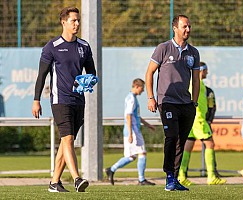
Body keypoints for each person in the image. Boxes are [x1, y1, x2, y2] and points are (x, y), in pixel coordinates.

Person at [32, 7, 96, 192]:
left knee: (66, 141)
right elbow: (41, 75)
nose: (76, 24)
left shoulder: (84, 46)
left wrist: (89, 80)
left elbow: (92, 72)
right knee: (67, 138)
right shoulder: (52, 47)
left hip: (79, 100)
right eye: (73, 20)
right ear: (63, 22)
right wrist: (36, 100)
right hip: (60, 100)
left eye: (78, 20)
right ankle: (77, 178)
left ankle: (54, 182)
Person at [145, 14, 200, 191]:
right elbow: (149, 73)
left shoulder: (193, 52)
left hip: (186, 104)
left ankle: (175, 178)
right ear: (175, 28)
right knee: (171, 137)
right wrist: (151, 97)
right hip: (167, 102)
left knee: (181, 142)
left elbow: (196, 79)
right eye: (184, 26)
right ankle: (169, 175)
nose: (188, 30)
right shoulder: (163, 48)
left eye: (189, 26)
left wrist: (194, 102)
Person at [178, 62, 226, 186]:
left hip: (190, 119)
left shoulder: (191, 83)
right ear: (201, 70)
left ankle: (181, 175)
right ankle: (211, 176)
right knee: (210, 144)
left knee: (188, 146)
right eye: (206, 70)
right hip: (198, 119)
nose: (207, 73)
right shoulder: (196, 83)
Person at [105, 78, 156, 186]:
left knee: (131, 156)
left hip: (132, 131)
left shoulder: (131, 98)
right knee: (142, 153)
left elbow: (136, 116)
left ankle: (111, 169)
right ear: (137, 86)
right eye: (142, 88)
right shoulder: (131, 99)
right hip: (133, 131)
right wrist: (131, 134)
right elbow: (128, 116)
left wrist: (148, 125)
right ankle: (141, 180)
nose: (143, 91)